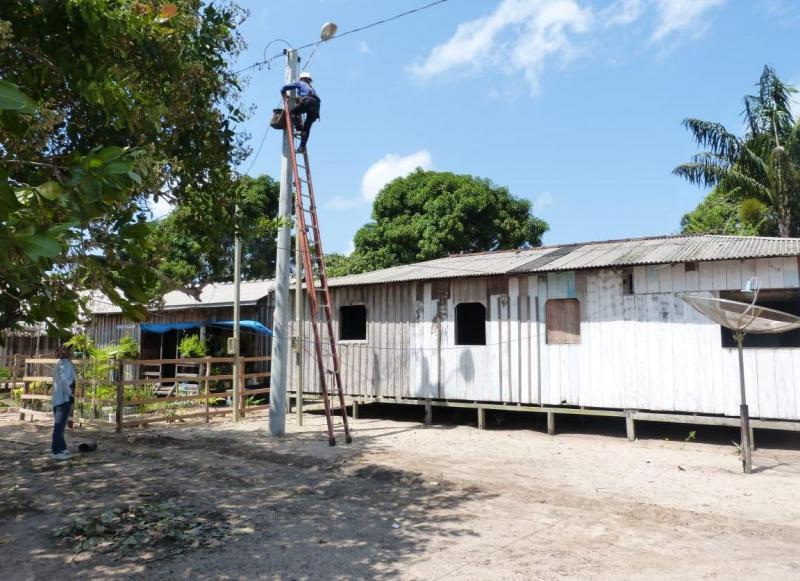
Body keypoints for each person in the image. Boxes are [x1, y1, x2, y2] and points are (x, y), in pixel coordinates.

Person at [281, 71, 321, 154]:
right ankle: (301, 147)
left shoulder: (300, 83)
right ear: (309, 80)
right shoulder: (311, 88)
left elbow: (285, 87)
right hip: (316, 107)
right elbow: (305, 96)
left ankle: (299, 128)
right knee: (307, 128)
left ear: (302, 78)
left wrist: (282, 92)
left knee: (292, 113)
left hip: (308, 102)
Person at [51, 345, 76, 460]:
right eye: (72, 351)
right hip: (64, 398)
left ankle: (62, 447)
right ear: (66, 353)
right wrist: (70, 392)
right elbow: (64, 380)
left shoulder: (61, 363)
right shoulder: (65, 364)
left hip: (59, 398)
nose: (74, 352)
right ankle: (57, 451)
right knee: (59, 425)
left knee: (61, 424)